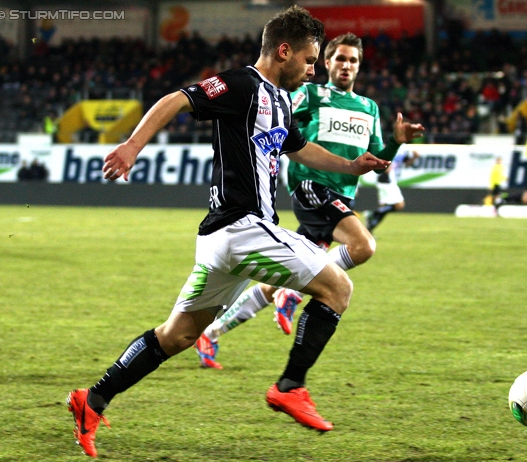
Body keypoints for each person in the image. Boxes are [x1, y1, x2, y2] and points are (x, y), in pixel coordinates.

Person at [66, 7, 391, 457]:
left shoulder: (279, 100)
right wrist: (132, 146)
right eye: (310, 59)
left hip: (224, 243)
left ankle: (93, 400)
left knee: (176, 335)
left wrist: (351, 166)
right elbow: (176, 99)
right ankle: (290, 387)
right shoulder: (242, 85)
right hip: (243, 228)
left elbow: (300, 149)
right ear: (284, 51)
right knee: (337, 287)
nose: (313, 69)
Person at [195, 32, 423, 370]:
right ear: (327, 62)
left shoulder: (368, 108)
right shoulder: (311, 94)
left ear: (359, 68)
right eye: (341, 59)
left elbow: (375, 160)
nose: (347, 65)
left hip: (341, 197)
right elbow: (280, 118)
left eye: (354, 61)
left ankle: (211, 334)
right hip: (312, 188)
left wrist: (395, 142)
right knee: (363, 246)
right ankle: (294, 294)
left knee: (276, 281)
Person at [365, 148, 420, 233]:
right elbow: (382, 161)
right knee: (399, 204)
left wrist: (414, 157)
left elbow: (407, 164)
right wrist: (386, 166)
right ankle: (373, 213)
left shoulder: (403, 149)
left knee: (384, 209)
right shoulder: (391, 147)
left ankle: (369, 229)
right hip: (387, 180)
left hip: (387, 181)